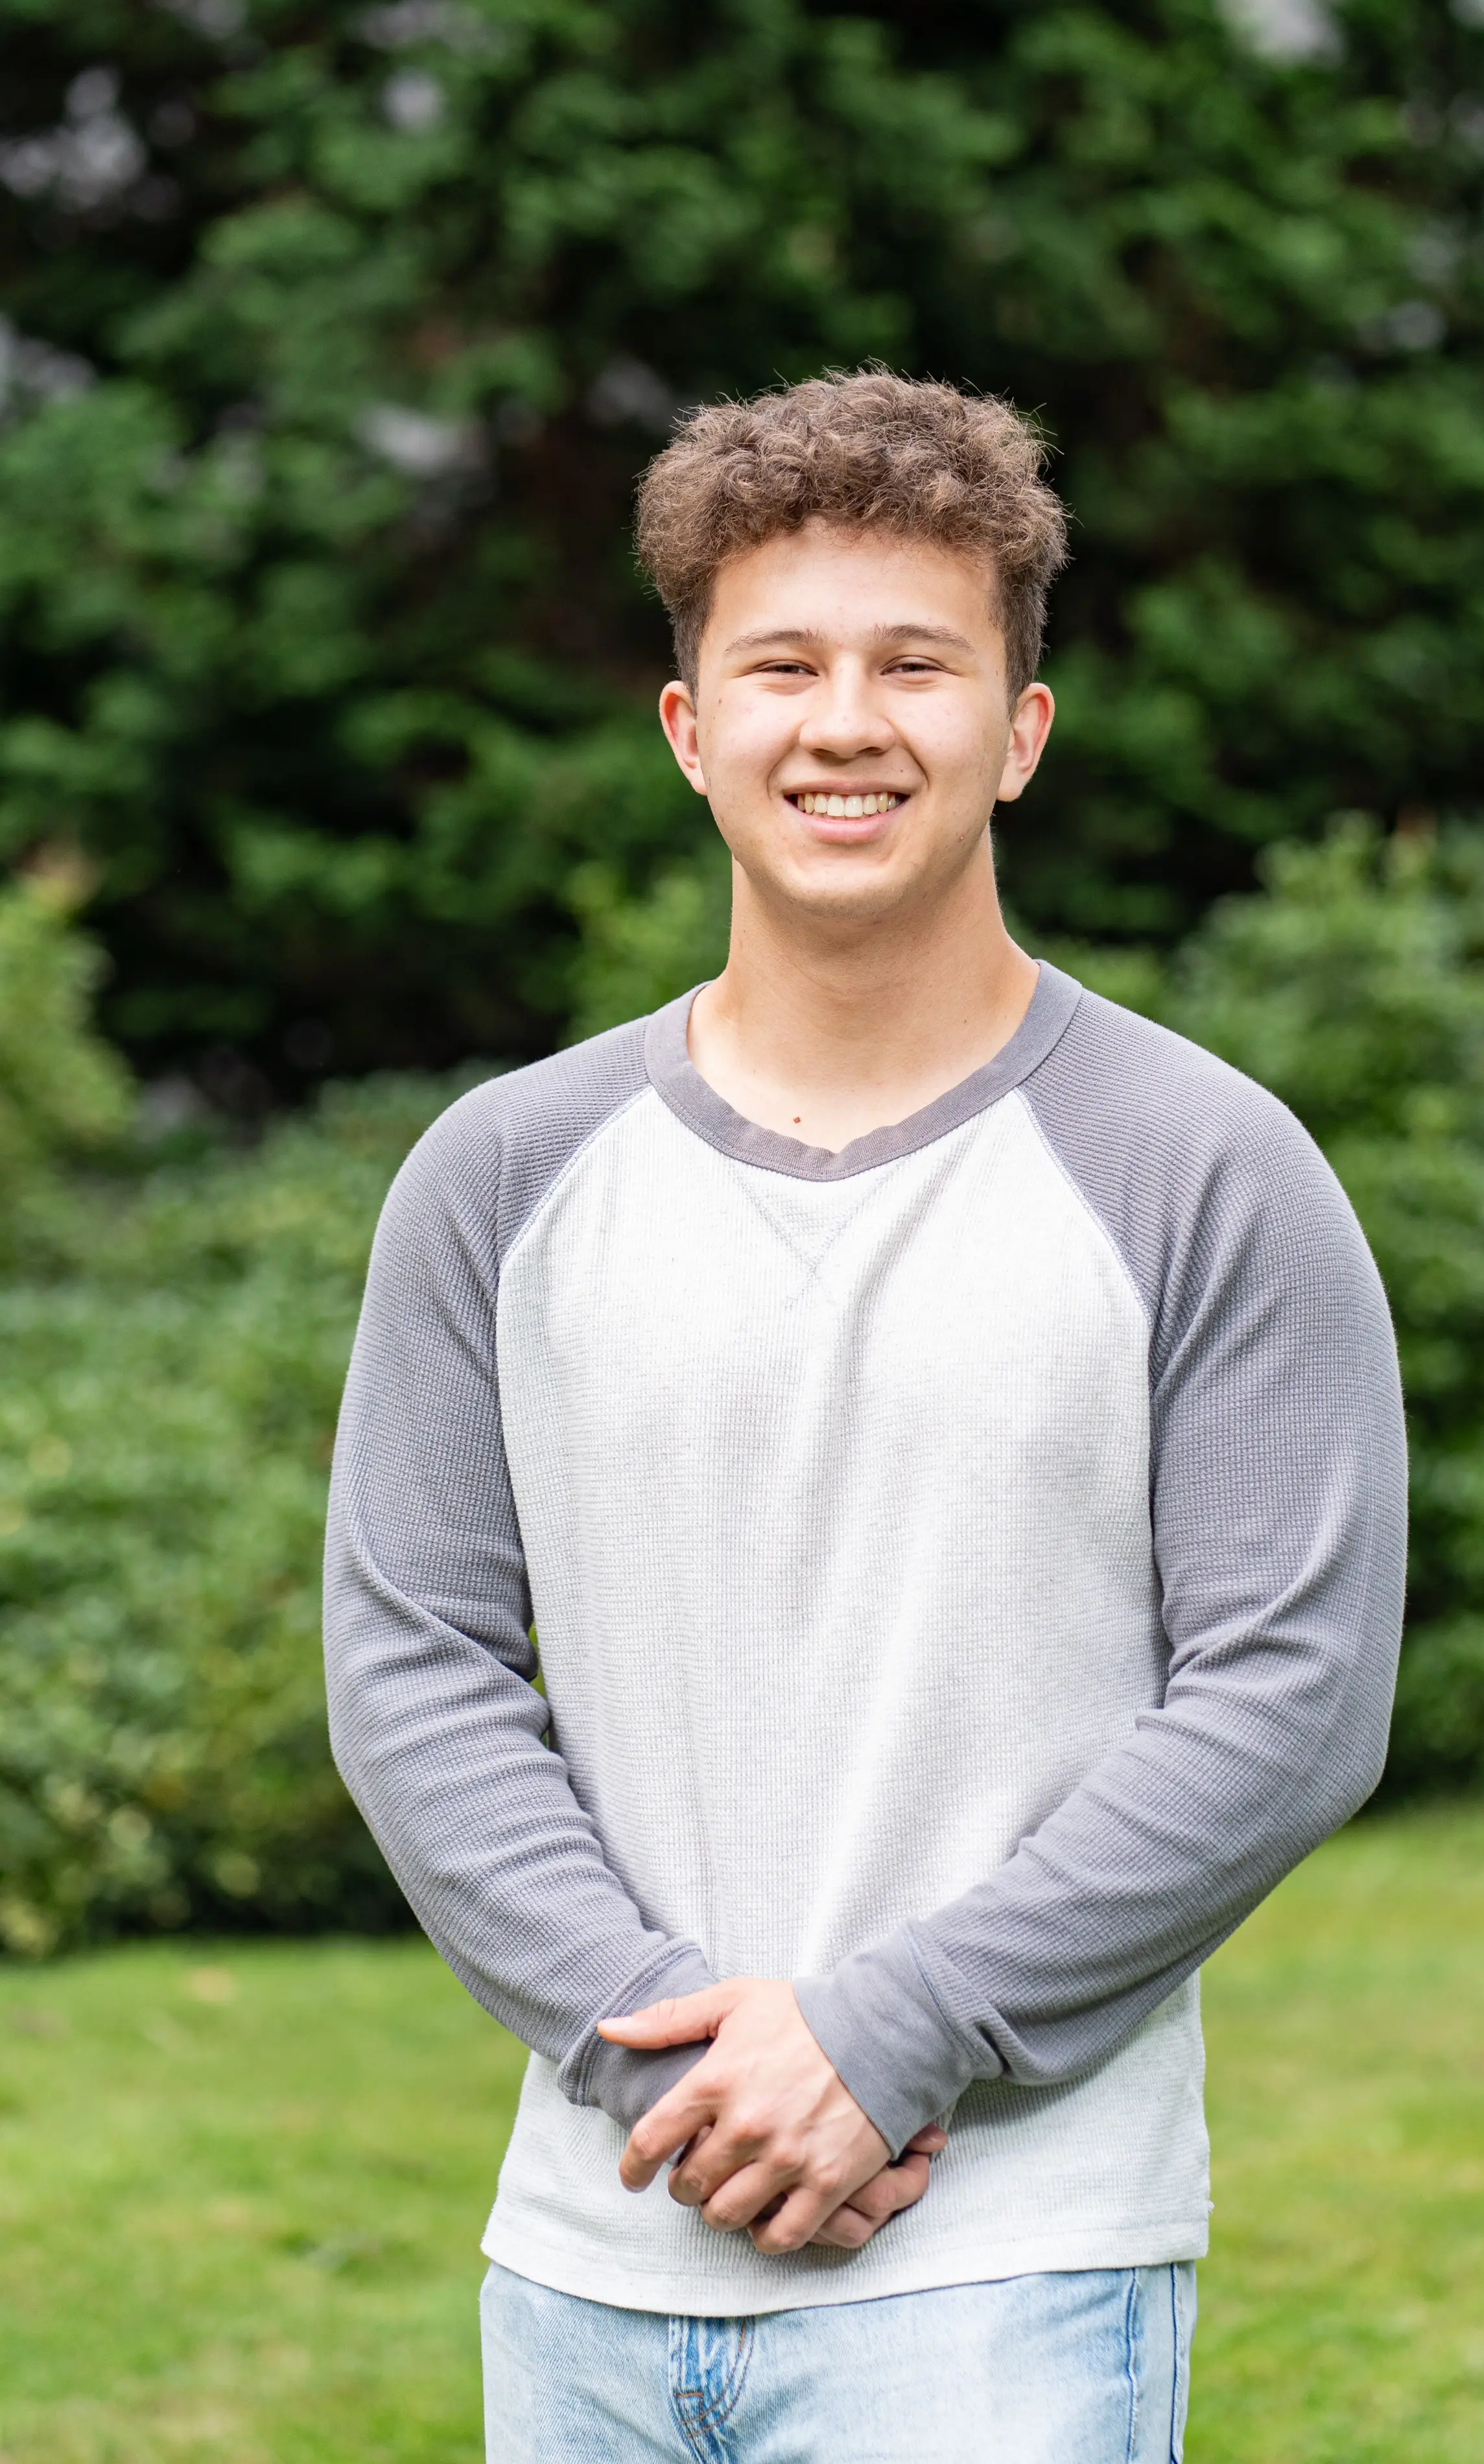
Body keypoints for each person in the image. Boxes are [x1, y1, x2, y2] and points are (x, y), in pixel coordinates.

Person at [324, 370, 1406, 2463]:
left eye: (918, 664)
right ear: (687, 728)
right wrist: (675, 2074)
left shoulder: (1204, 1165)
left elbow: (1293, 1690)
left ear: (1019, 732)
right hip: (590, 2259)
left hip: (1010, 2276)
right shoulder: (499, 1176)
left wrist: (897, 2036)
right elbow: (415, 1668)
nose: (845, 724)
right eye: (782, 666)